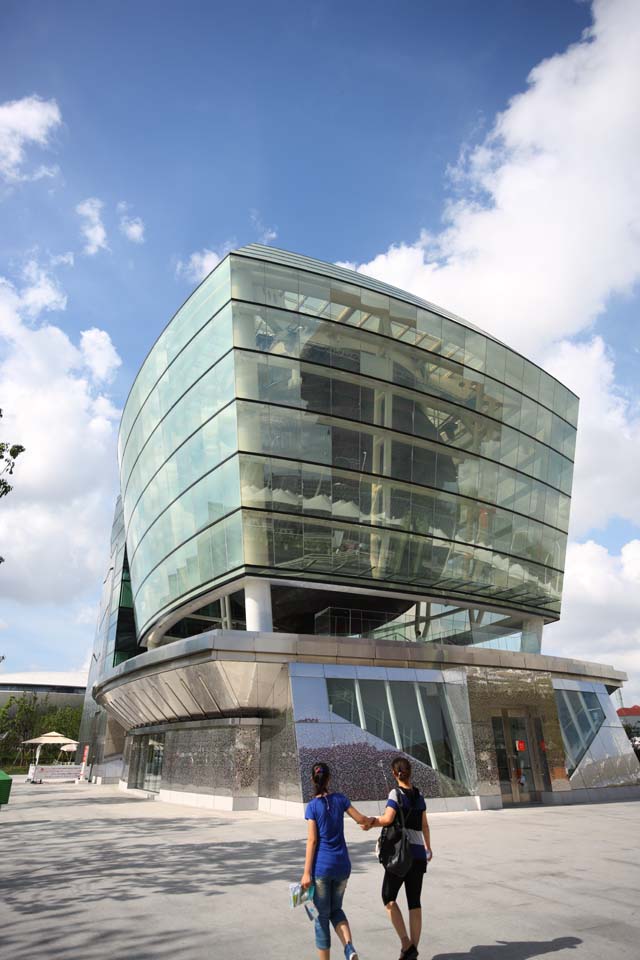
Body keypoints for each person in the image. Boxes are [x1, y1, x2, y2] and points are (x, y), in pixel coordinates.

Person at [363, 757, 433, 960]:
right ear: (410, 772)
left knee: (388, 898)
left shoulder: (396, 793)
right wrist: (428, 847)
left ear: (395, 774)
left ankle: (406, 944)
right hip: (419, 854)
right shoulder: (419, 795)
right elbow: (425, 825)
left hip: (401, 854)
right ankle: (413, 950)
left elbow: (387, 819)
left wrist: (370, 822)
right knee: (414, 902)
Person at [301, 761, 369, 960]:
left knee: (321, 918)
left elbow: (312, 840)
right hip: (342, 866)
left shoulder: (313, 807)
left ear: (312, 780)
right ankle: (349, 948)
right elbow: (361, 819)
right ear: (329, 779)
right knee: (336, 909)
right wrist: (371, 823)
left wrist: (306, 872)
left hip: (322, 868)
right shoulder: (340, 799)